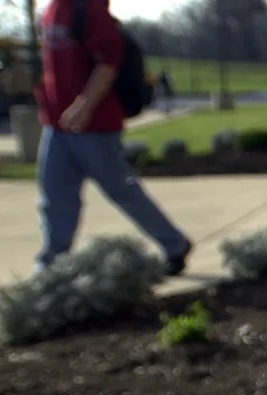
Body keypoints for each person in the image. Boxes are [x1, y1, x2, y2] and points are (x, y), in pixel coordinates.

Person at [32, 0, 192, 276]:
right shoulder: (50, 11)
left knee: (122, 191)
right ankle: (52, 266)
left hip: (96, 126)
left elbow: (108, 64)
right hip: (57, 126)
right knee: (54, 196)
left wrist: (84, 106)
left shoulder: (89, 10)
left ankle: (174, 244)